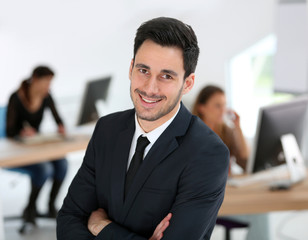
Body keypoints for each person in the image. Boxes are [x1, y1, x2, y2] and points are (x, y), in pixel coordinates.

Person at [57, 17, 229, 240]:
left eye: (166, 76)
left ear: (187, 83)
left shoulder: (207, 153)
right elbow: (69, 219)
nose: (150, 88)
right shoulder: (107, 130)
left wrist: (102, 227)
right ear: (131, 68)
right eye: (143, 70)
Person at [6, 66, 68, 224]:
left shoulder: (46, 96)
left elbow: (57, 117)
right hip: (18, 149)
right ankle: (30, 209)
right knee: (44, 168)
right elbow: (9, 131)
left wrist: (61, 126)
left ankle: (50, 206)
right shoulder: (16, 97)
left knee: (62, 164)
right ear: (35, 79)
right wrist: (22, 132)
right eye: (46, 81)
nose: (48, 86)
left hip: (36, 146)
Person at [192, 85, 249, 170]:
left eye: (224, 105)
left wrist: (238, 127)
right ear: (201, 108)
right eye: (218, 106)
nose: (223, 110)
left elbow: (244, 157)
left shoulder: (226, 131)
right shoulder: (192, 134)